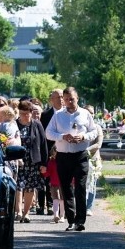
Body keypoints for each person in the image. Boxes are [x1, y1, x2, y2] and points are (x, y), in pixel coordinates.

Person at [44, 87, 99, 232]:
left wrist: (83, 137)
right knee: (66, 188)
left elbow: (94, 131)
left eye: (72, 99)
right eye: (66, 99)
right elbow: (48, 133)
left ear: (77, 98)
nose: (69, 102)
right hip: (63, 156)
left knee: (80, 187)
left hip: (80, 154)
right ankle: (71, 220)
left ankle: (80, 221)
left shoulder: (85, 114)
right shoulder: (58, 116)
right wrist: (62, 136)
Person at [14, 100, 48, 223]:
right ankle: (18, 210)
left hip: (32, 161)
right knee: (18, 186)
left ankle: (26, 213)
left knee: (29, 187)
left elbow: (43, 144)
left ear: (31, 112)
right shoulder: (14, 124)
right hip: (17, 160)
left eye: (27, 113)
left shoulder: (36, 124)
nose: (25, 116)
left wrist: (44, 163)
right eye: (22, 113)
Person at [85, 105, 104, 216]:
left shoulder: (97, 128)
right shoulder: (79, 127)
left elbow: (98, 144)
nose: (90, 115)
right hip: (80, 159)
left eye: (92, 113)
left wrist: (86, 150)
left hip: (93, 159)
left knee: (92, 183)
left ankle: (89, 207)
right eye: (88, 112)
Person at [45, 146, 65, 223]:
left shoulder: (63, 162)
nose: (55, 154)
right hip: (54, 184)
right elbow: (48, 173)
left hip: (62, 183)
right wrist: (44, 172)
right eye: (54, 152)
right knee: (55, 199)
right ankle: (56, 215)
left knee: (61, 200)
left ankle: (62, 215)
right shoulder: (51, 162)